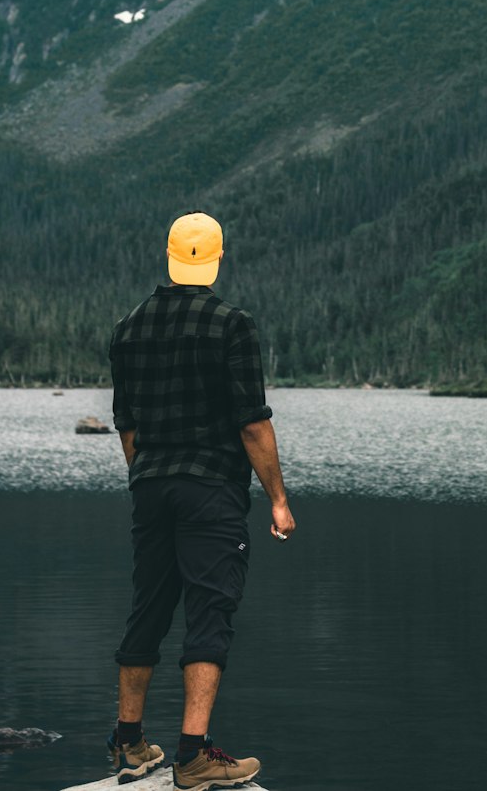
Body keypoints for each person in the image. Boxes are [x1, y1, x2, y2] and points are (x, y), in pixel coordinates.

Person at [106, 211, 295, 789]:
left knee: (149, 607)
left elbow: (128, 429)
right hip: (211, 489)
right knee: (210, 612)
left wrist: (149, 478)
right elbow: (252, 425)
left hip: (152, 485)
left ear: (168, 256)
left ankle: (129, 743)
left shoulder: (129, 327)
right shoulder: (231, 324)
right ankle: (192, 757)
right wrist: (278, 500)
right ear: (216, 260)